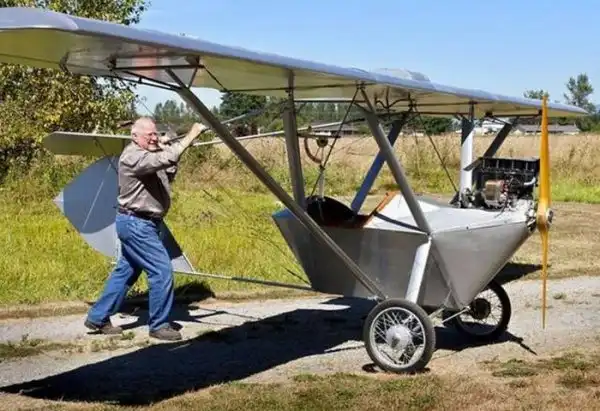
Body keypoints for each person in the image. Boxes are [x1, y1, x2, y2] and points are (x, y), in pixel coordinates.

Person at [84, 117, 207, 341]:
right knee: (161, 271)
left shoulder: (148, 156)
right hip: (136, 224)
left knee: (126, 272)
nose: (153, 137)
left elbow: (167, 171)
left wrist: (165, 148)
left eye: (155, 133)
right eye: (148, 135)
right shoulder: (133, 156)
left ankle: (98, 317)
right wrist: (190, 136)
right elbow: (165, 158)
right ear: (134, 136)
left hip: (142, 223)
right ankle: (159, 325)